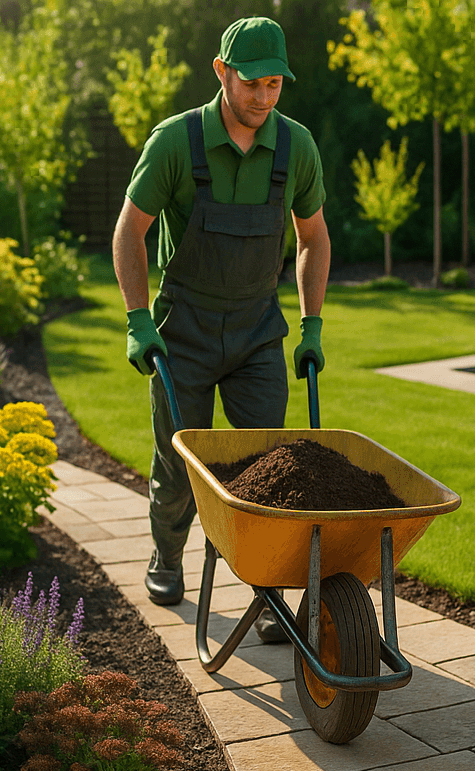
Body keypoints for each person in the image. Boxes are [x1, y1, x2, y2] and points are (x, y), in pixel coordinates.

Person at [112, 16, 329, 641]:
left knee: (270, 467)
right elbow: (131, 231)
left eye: (274, 84)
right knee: (180, 463)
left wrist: (311, 325)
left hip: (259, 329)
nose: (263, 97)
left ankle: (266, 591)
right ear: (221, 72)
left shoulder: (296, 148)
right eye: (251, 82)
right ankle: (166, 553)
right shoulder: (176, 143)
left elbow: (312, 237)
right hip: (184, 329)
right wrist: (136, 319)